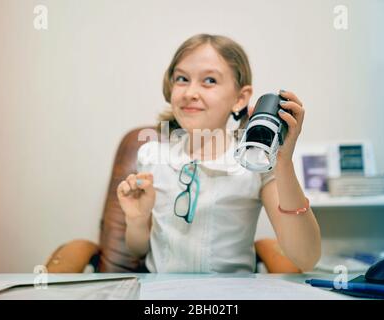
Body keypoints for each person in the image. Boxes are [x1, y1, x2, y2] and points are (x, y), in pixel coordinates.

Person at [116, 34, 321, 273]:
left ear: (240, 98)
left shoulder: (255, 161)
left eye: (209, 80)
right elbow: (137, 250)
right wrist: (137, 221)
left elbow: (306, 259)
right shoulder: (151, 155)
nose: (190, 92)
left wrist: (283, 163)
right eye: (182, 79)